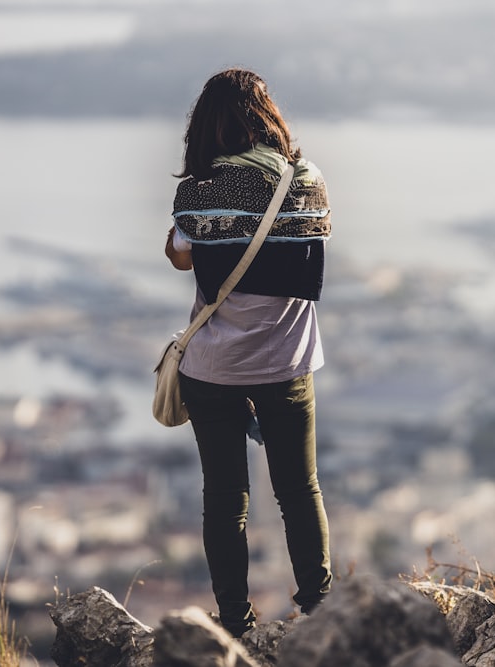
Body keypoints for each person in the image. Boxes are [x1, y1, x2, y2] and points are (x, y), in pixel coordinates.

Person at [163, 68, 333, 637]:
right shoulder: (308, 181)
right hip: (286, 363)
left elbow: (182, 258)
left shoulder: (200, 192)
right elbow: (310, 248)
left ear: (207, 127)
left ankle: (234, 620)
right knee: (299, 488)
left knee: (225, 496)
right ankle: (320, 607)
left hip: (213, 369)